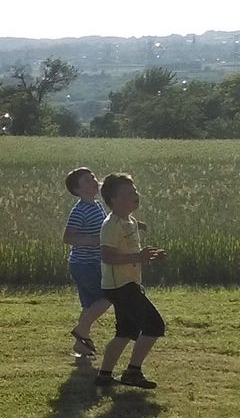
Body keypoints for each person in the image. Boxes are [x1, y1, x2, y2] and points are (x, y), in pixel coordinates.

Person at [95, 173, 167, 390]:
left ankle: (104, 375)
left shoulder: (131, 221)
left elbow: (132, 254)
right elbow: (107, 256)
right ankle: (132, 372)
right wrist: (138, 257)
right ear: (114, 199)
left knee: (125, 332)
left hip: (128, 284)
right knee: (154, 325)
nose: (135, 195)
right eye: (128, 193)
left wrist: (148, 257)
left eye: (135, 191)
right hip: (120, 287)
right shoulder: (111, 225)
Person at [62, 167, 112, 361]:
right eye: (87, 180)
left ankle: (80, 345)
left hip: (94, 262)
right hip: (84, 264)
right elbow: (68, 237)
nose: (93, 181)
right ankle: (80, 331)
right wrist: (94, 241)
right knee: (108, 297)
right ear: (78, 189)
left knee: (91, 305)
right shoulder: (80, 210)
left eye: (93, 178)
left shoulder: (97, 205)